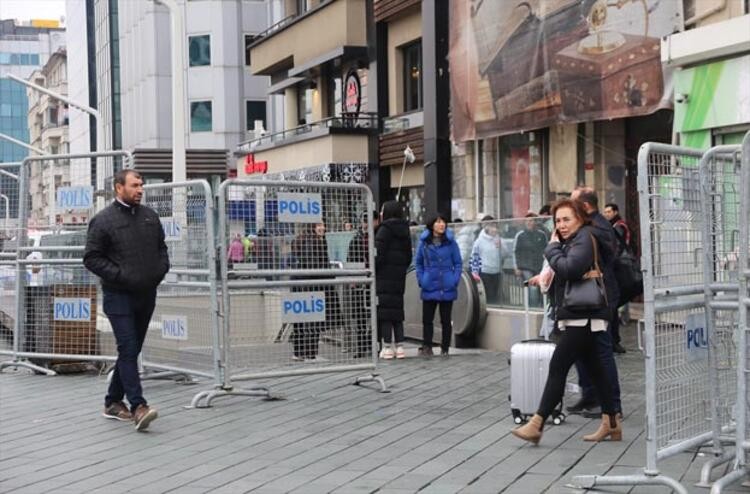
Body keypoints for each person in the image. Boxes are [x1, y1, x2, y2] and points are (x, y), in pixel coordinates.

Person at [512, 199, 621, 444]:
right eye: (558, 221)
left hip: (584, 315)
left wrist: (551, 248)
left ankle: (536, 424)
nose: (561, 225)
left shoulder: (582, 237)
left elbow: (570, 269)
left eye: (566, 219)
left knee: (558, 366)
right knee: (596, 370)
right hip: (584, 315)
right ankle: (611, 423)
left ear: (580, 218)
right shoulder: (575, 239)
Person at [83, 169, 168, 431]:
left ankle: (112, 401)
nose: (140, 189)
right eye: (134, 185)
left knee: (132, 350)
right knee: (128, 348)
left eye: (141, 185)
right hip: (118, 295)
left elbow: (161, 249)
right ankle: (138, 406)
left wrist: (160, 270)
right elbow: (92, 258)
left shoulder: (150, 217)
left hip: (146, 293)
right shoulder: (103, 220)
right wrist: (120, 276)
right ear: (119, 188)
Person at [566, 186, 623, 416]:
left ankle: (612, 405)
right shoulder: (589, 226)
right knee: (581, 350)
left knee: (602, 351)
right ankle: (589, 396)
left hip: (600, 297)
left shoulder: (597, 228)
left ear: (586, 206)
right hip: (586, 298)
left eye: (574, 204)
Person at [415, 214, 462, 357]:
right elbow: (418, 263)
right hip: (429, 284)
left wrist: (454, 280)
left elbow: (458, 263)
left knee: (446, 319)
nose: (442, 224)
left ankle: (445, 348)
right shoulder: (424, 243)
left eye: (443, 222)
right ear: (432, 225)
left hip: (447, 284)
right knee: (427, 319)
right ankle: (427, 346)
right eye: (438, 222)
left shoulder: (451, 242)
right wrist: (422, 279)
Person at [374, 201, 412, 359]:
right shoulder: (405, 230)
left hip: (384, 276)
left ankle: (387, 346)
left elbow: (378, 255)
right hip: (399, 277)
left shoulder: (384, 230)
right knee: (397, 310)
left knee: (385, 312)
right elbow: (409, 255)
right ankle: (400, 347)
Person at [290, 222, 332, 361]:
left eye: (323, 225)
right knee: (314, 319)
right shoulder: (315, 242)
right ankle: (310, 352)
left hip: (297, 283)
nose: (323, 227)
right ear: (312, 226)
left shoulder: (299, 239)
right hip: (312, 285)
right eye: (319, 225)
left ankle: (298, 351)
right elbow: (315, 266)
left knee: (300, 318)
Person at [346, 211, 377, 357]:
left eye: (369, 220)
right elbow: (351, 259)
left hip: (374, 281)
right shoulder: (356, 239)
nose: (366, 223)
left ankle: (374, 344)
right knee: (360, 317)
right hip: (360, 283)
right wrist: (353, 279)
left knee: (375, 316)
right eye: (364, 220)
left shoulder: (378, 237)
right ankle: (361, 347)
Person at [513, 213, 548, 307]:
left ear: (535, 222)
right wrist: (516, 267)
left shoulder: (542, 234)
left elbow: (546, 250)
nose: (529, 223)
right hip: (525, 267)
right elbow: (515, 251)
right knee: (532, 288)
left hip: (539, 266)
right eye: (527, 221)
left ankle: (541, 307)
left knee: (541, 287)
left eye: (531, 220)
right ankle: (533, 308)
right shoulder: (520, 235)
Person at [469, 216, 501, 304]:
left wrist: (500, 246)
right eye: (492, 227)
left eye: (496, 227)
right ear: (488, 228)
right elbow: (475, 256)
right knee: (488, 294)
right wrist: (475, 272)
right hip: (485, 271)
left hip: (496, 271)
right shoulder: (479, 241)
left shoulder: (499, 239)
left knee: (495, 294)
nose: (495, 230)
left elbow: (505, 254)